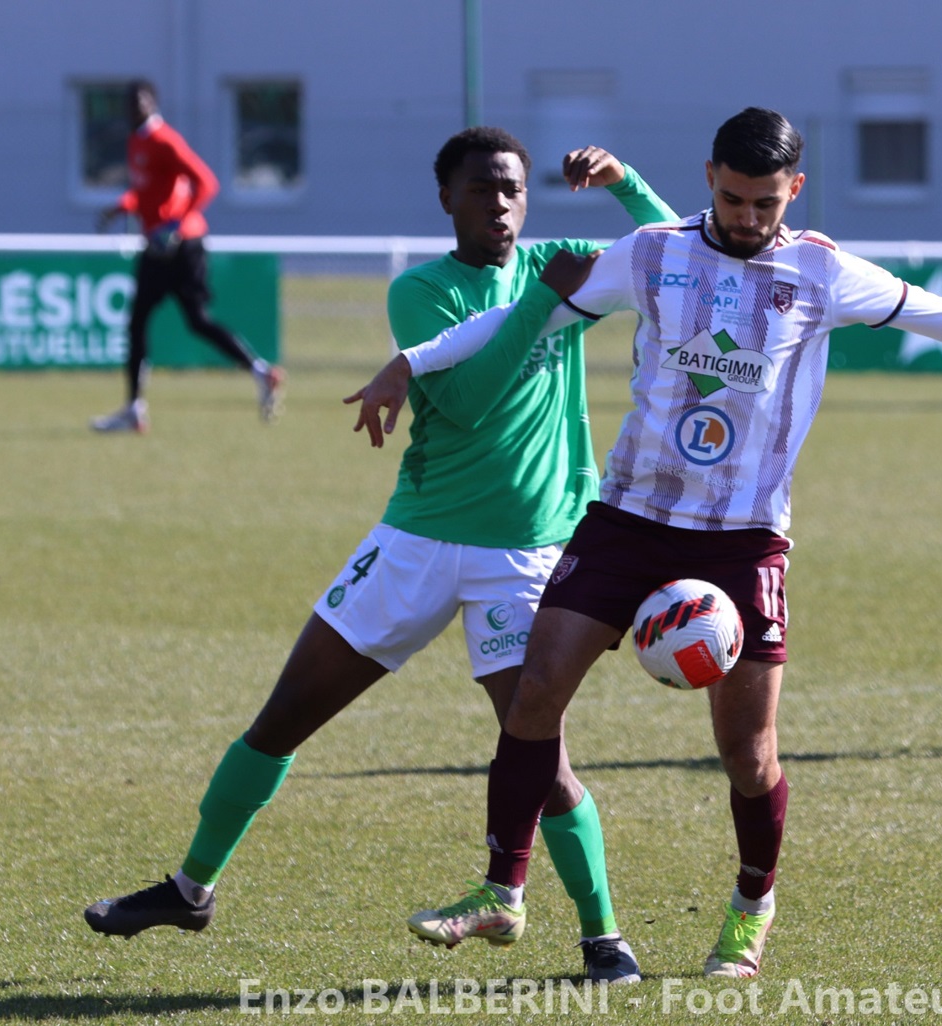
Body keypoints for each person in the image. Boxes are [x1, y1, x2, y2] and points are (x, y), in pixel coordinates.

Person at [349, 107, 942, 978]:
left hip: (742, 541)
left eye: (764, 202)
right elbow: (526, 323)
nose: (745, 216)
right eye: (732, 198)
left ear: (794, 191)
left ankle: (750, 908)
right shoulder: (653, 252)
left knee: (748, 753)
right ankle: (504, 891)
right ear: (708, 180)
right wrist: (412, 362)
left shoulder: (819, 271)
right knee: (537, 690)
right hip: (629, 517)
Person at [82, 126, 679, 985]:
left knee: (540, 755)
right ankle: (190, 887)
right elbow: (470, 403)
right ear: (447, 200)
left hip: (524, 553)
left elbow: (671, 254)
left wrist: (624, 179)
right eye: (481, 189)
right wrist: (538, 305)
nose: (501, 203)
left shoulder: (563, 259)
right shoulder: (423, 290)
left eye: (512, 188)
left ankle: (604, 942)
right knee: (285, 716)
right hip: (418, 542)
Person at [91, 79, 285, 434]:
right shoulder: (137, 140)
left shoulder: (165, 139)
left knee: (189, 320)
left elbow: (207, 182)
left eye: (143, 101)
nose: (136, 107)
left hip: (182, 246)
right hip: (158, 244)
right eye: (131, 102)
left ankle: (259, 373)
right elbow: (145, 191)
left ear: (154, 103)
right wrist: (120, 208)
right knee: (144, 322)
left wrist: (177, 225)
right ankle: (135, 408)